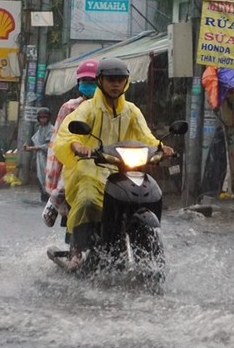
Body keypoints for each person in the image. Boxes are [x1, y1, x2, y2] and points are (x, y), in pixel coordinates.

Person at [53, 57, 174, 269]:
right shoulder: (87, 109)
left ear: (126, 81)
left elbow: (146, 137)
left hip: (122, 170)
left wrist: (161, 148)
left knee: (149, 193)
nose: (115, 84)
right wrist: (76, 145)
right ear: (100, 80)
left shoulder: (132, 111)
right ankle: (78, 251)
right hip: (89, 169)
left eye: (120, 79)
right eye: (110, 79)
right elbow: (67, 133)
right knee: (88, 201)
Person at [42, 57, 99, 227]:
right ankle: (56, 198)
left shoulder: (113, 107)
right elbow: (60, 137)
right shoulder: (70, 108)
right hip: (76, 156)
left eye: (93, 81)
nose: (88, 84)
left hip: (105, 156)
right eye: (85, 81)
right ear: (78, 83)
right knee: (69, 174)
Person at [23, 106, 53, 201]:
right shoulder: (40, 129)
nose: (43, 119)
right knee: (40, 179)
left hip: (48, 158)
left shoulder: (51, 129)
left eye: (45, 117)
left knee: (47, 179)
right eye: (41, 117)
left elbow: (48, 146)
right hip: (39, 159)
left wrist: (32, 148)